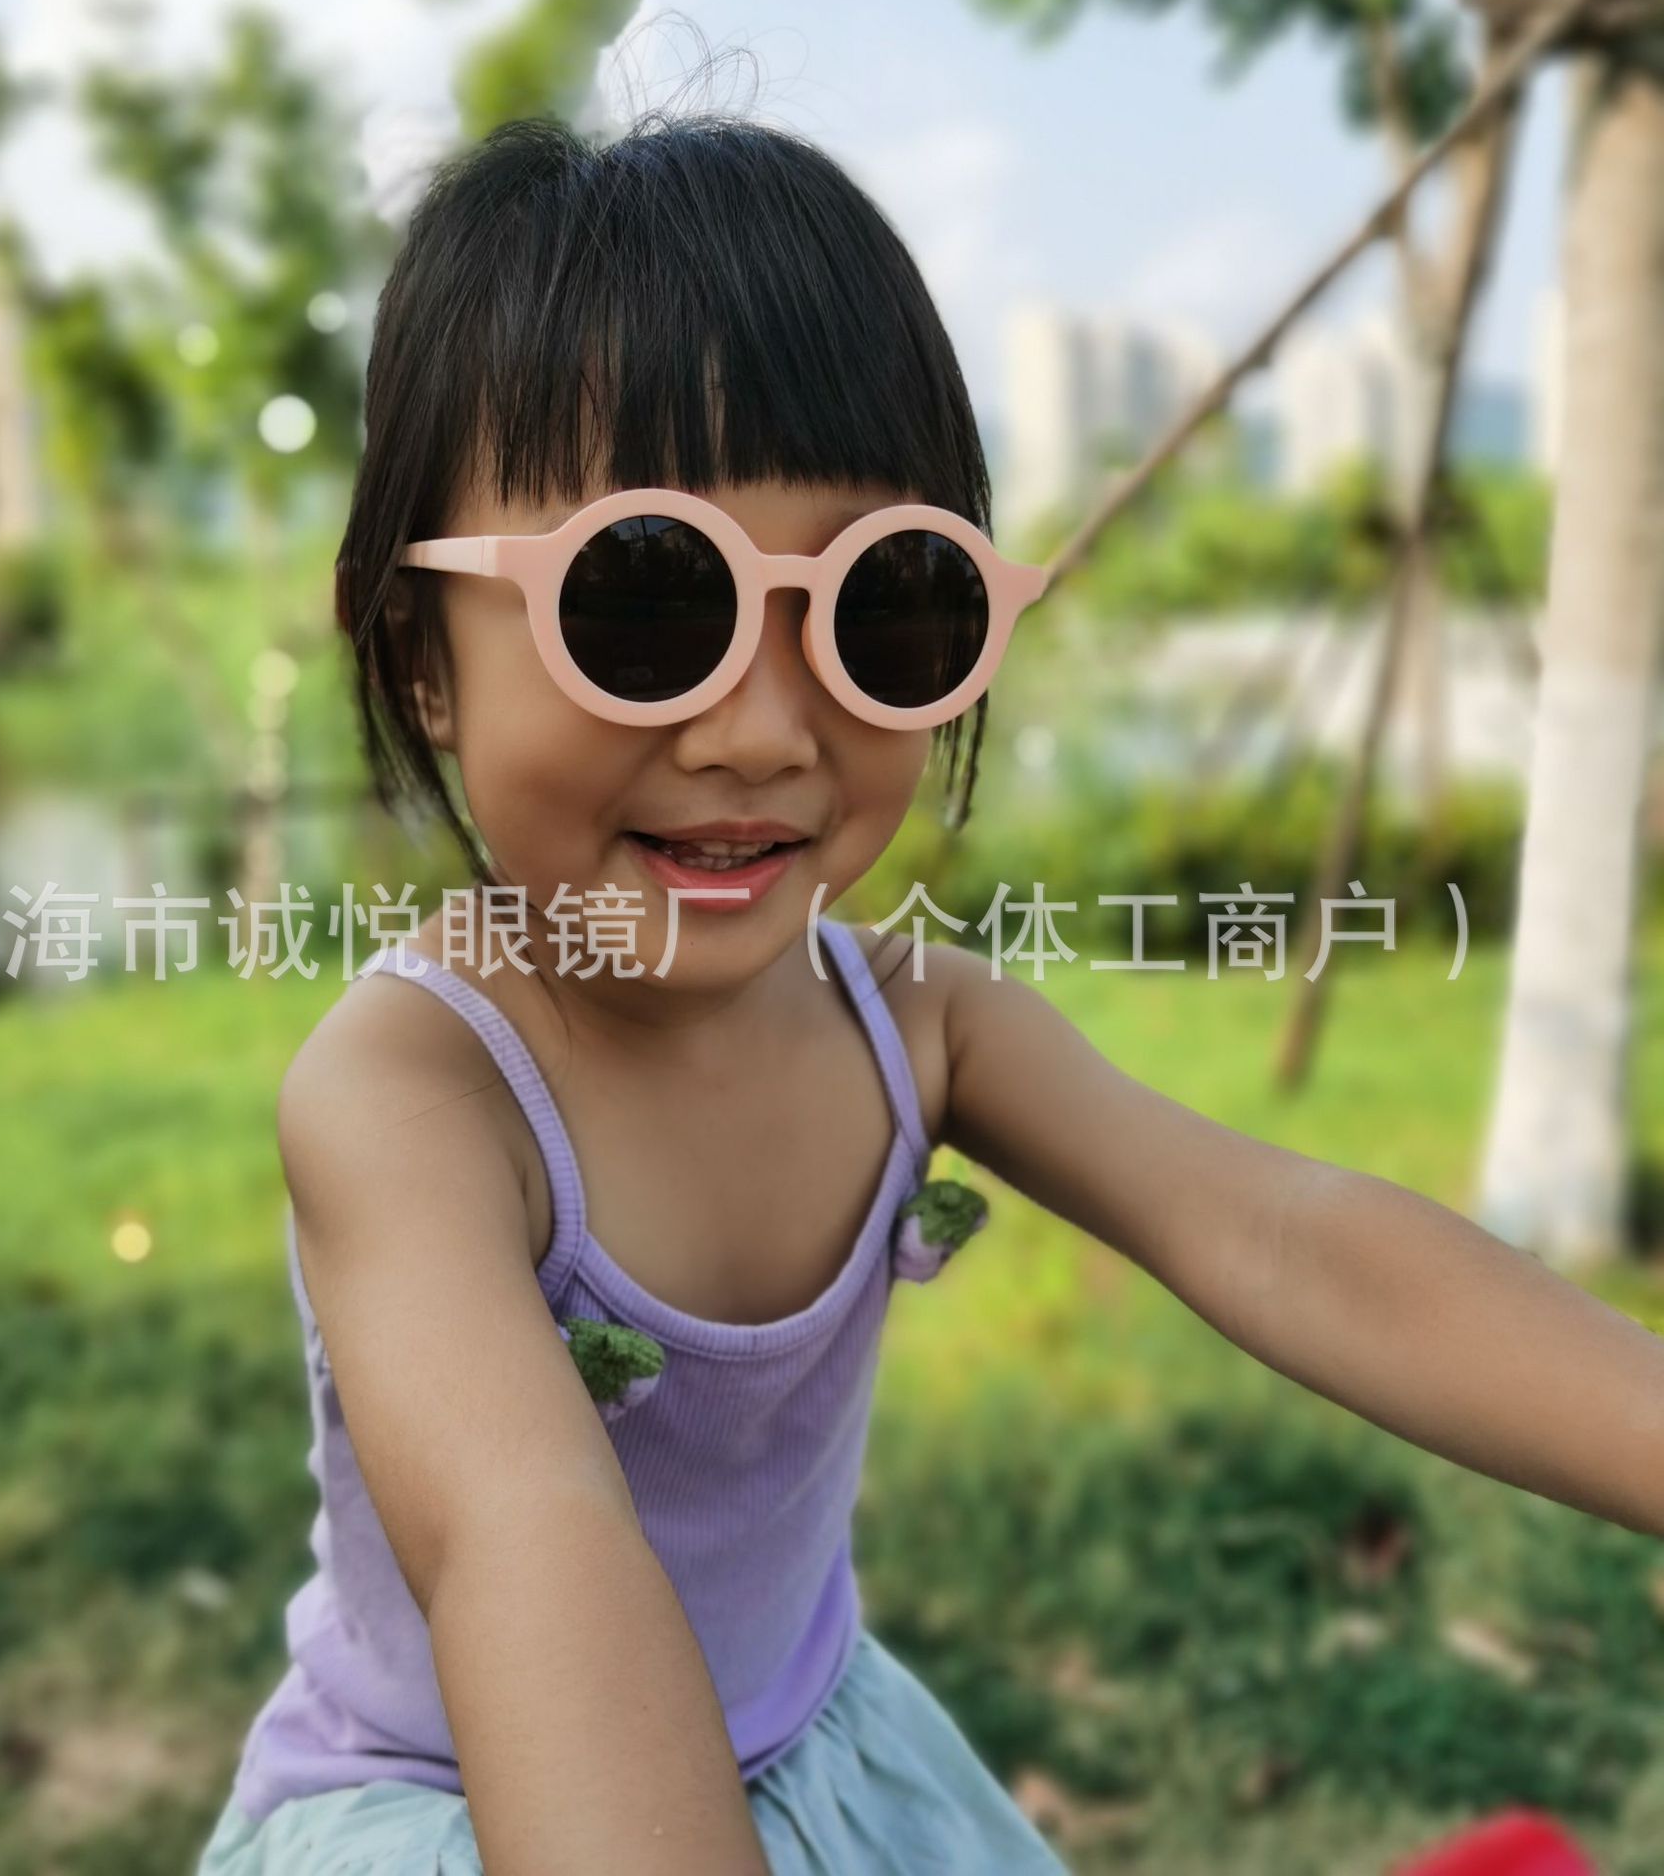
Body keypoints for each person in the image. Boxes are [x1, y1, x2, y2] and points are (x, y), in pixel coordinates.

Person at [195, 109, 1664, 1876]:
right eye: (646, 606)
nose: (759, 729)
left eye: (882, 605)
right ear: (418, 653)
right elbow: (526, 1540)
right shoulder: (417, 1098)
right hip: (474, 1809)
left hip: (824, 1759)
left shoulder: (919, 1024)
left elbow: (1283, 1238)